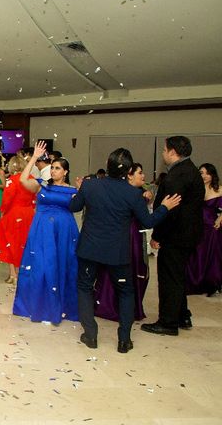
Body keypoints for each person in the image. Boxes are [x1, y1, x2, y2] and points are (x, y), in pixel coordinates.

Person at [70, 150, 180, 353]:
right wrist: (164, 207)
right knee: (126, 292)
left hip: (90, 248)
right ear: (129, 171)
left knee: (85, 287)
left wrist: (79, 191)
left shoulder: (90, 185)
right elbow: (148, 221)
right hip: (117, 252)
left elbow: (74, 206)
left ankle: (91, 335)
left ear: (107, 163)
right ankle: (124, 340)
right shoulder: (132, 193)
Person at [142, 136, 204, 336]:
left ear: (172, 152)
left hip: (176, 236)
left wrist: (157, 235)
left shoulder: (177, 175)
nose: (162, 153)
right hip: (187, 234)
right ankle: (182, 315)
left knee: (170, 279)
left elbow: (170, 211)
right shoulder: (191, 170)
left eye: (164, 150)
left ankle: (168, 322)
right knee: (178, 276)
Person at [13, 141, 78, 324]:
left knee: (61, 265)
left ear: (65, 172)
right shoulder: (42, 185)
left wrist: (83, 190)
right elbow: (23, 180)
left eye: (57, 168)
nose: (53, 171)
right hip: (42, 229)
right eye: (52, 167)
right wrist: (34, 157)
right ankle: (38, 305)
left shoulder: (72, 190)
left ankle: (60, 306)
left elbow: (79, 206)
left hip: (64, 231)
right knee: (41, 265)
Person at [93, 163, 154, 322]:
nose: (143, 176)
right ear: (129, 175)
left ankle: (129, 306)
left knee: (135, 267)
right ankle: (110, 304)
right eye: (140, 172)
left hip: (135, 233)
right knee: (117, 268)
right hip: (124, 234)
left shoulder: (141, 192)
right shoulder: (126, 193)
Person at [0, 156, 36, 284]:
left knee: (10, 242)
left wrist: (2, 211)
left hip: (13, 214)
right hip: (29, 213)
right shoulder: (32, 179)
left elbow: (7, 200)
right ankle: (25, 272)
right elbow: (35, 197)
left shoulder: (12, 180)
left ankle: (13, 274)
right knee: (25, 243)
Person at [185, 163, 222, 296]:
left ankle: (212, 283)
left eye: (207, 173)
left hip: (212, 227)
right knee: (197, 255)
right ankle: (195, 282)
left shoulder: (220, 190)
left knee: (213, 255)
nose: (204, 176)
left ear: (212, 175)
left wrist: (220, 218)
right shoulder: (195, 189)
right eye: (201, 173)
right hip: (196, 226)